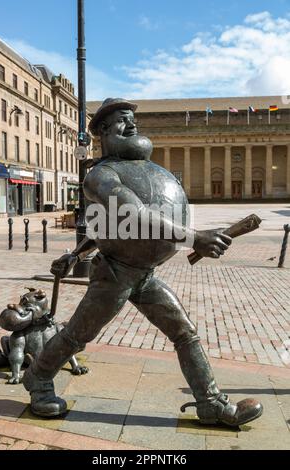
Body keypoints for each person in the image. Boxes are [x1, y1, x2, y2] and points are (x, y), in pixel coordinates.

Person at [23, 98, 263, 426]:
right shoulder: (101, 176)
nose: (133, 125)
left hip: (144, 273)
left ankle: (210, 403)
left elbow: (103, 228)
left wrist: (75, 254)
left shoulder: (133, 169)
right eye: (123, 120)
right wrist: (195, 237)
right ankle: (38, 377)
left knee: (184, 331)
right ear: (104, 130)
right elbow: (130, 213)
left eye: (133, 119)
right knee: (78, 334)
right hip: (116, 273)